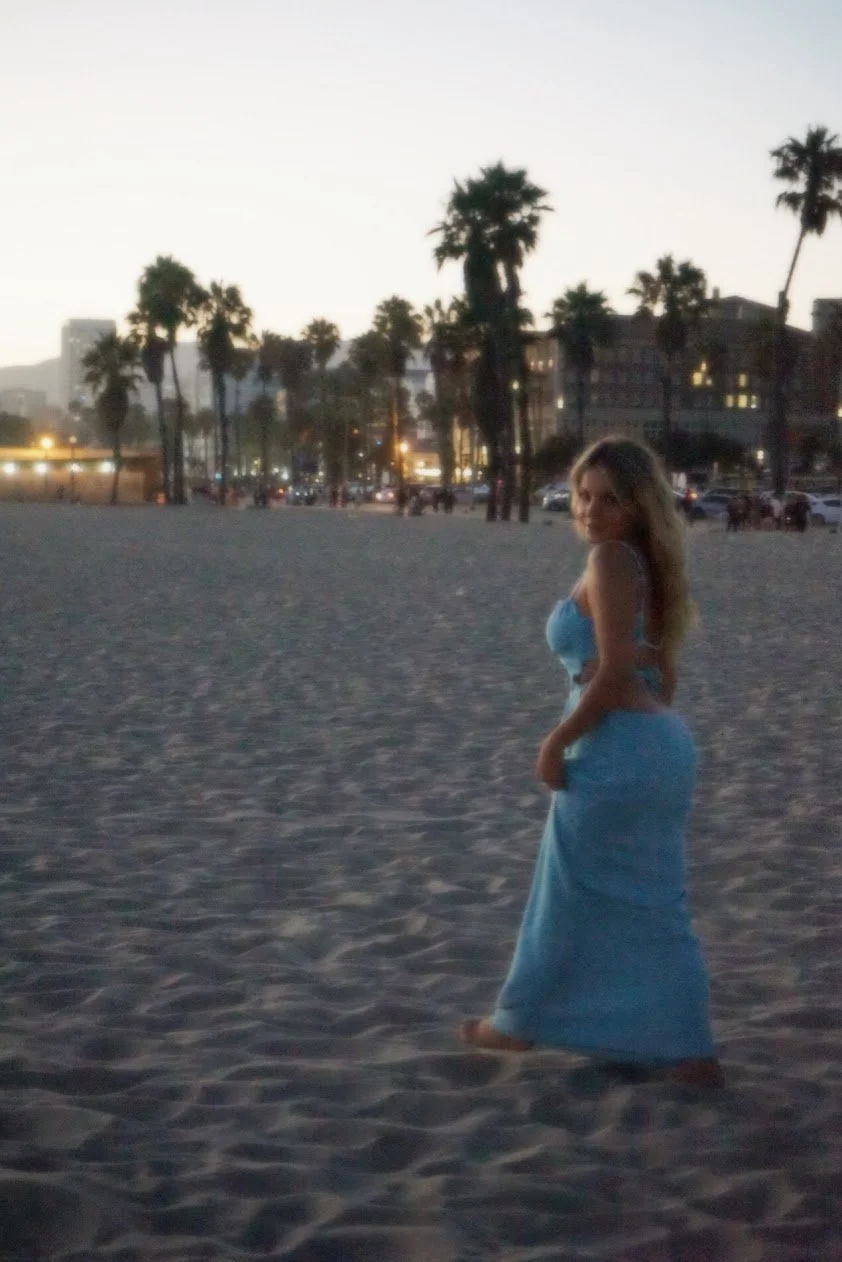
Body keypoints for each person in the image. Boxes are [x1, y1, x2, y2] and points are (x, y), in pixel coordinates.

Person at [459, 436, 722, 1088]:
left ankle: (515, 1025)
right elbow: (660, 669)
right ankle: (690, 1053)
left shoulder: (610, 560)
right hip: (660, 745)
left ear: (636, 506)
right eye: (584, 494)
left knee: (567, 894)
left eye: (610, 498)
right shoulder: (647, 566)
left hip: (617, 747)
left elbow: (607, 674)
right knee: (656, 903)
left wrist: (556, 739)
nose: (592, 509)